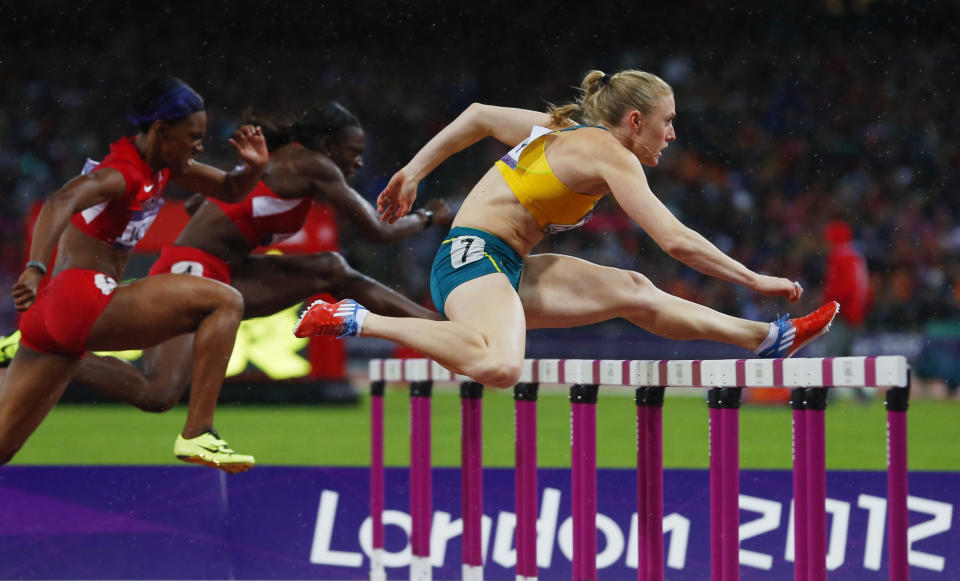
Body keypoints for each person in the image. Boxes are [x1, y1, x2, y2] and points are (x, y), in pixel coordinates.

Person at [294, 69, 840, 387]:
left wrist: (413, 171)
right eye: (666, 121)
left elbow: (480, 114)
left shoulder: (559, 131)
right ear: (634, 121)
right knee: (501, 366)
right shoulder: (609, 155)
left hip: (504, 262)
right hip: (471, 258)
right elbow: (674, 240)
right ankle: (356, 320)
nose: (671, 134)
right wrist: (753, 280)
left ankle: (771, 338)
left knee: (633, 290)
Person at [0, 101, 452, 417]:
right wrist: (431, 216)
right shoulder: (314, 165)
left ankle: (436, 330)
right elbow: (377, 231)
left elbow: (201, 205)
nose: (357, 164)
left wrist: (231, 222)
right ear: (327, 146)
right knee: (156, 393)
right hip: (195, 270)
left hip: (222, 267)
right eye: (353, 154)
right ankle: (41, 351)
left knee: (331, 268)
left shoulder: (282, 161)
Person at [0, 76, 268, 472]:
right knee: (224, 300)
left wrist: (254, 167)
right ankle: (198, 433)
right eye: (193, 136)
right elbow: (61, 201)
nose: (199, 146)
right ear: (161, 131)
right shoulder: (123, 172)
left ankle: (16, 344)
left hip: (53, 318)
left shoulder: (162, 166)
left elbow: (229, 190)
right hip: (83, 299)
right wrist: (35, 267)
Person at [821, 220, 871, 399]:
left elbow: (841, 289)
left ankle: (828, 396)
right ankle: (861, 395)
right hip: (853, 313)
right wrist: (858, 313)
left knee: (831, 354)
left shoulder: (839, 257)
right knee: (846, 356)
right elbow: (862, 287)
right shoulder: (855, 256)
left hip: (842, 314)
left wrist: (830, 308)